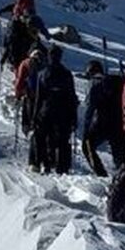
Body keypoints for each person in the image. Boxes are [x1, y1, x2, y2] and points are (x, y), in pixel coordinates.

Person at [31, 44, 78, 174]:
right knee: (62, 140)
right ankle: (62, 167)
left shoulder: (42, 74)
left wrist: (35, 116)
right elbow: (71, 97)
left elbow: (38, 98)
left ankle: (41, 163)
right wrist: (74, 117)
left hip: (45, 110)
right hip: (63, 112)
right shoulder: (67, 74)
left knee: (41, 137)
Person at [81, 59, 125, 177]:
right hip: (119, 123)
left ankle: (101, 174)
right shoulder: (117, 82)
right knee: (119, 155)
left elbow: (90, 108)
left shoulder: (94, 84)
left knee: (87, 146)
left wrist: (86, 129)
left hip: (101, 123)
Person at [0, 0, 50, 70]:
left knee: (14, 48)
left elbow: (9, 42)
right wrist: (46, 34)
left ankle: (15, 66)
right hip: (27, 40)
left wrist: (3, 58)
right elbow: (40, 26)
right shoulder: (32, 17)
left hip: (19, 39)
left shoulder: (16, 14)